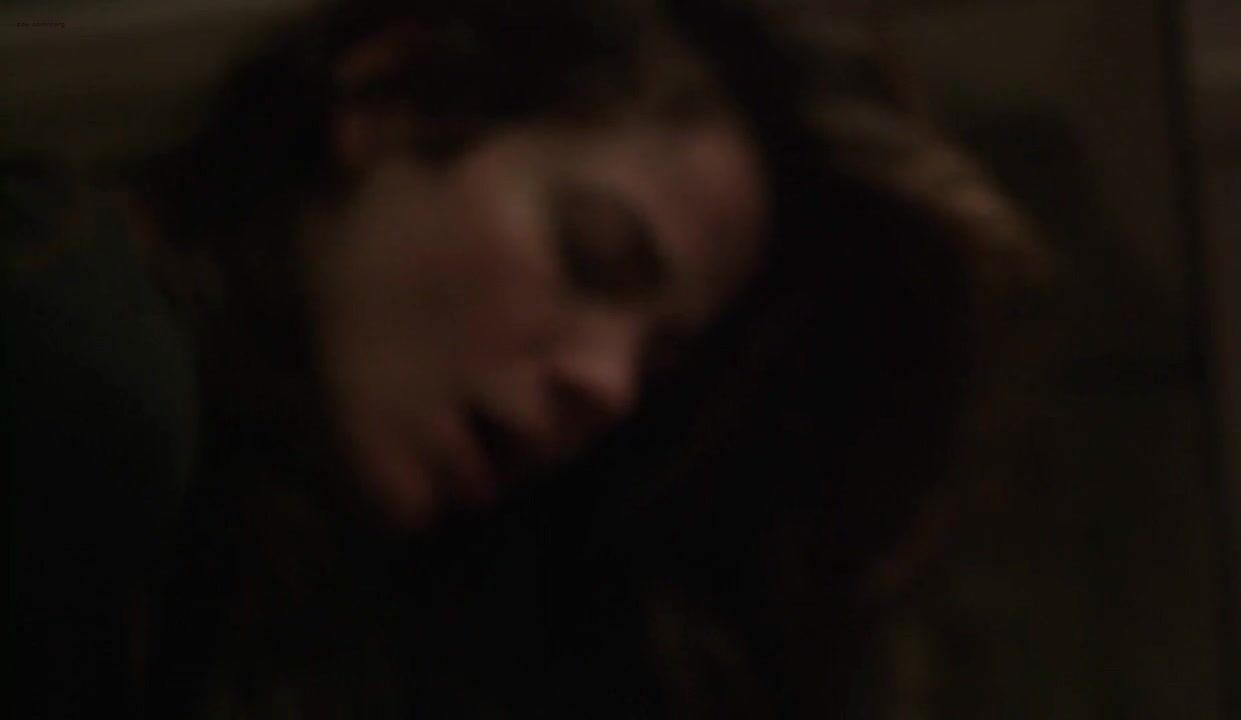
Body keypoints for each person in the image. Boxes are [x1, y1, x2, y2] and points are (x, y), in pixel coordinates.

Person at [7, 0, 1041, 716]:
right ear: (388, 97)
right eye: (593, 255)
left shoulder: (327, 615)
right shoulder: (70, 345)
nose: (609, 385)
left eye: (661, 365)